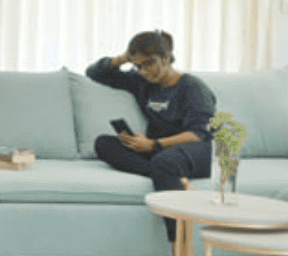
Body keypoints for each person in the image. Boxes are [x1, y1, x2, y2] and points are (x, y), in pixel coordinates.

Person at [87, 30, 217, 240]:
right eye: (138, 66)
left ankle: (179, 247)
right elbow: (95, 73)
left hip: (192, 152)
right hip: (157, 153)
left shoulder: (193, 88)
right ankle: (175, 178)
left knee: (163, 163)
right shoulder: (142, 82)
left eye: (149, 63)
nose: (144, 71)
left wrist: (154, 144)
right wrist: (123, 58)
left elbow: (199, 134)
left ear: (166, 57)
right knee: (103, 143)